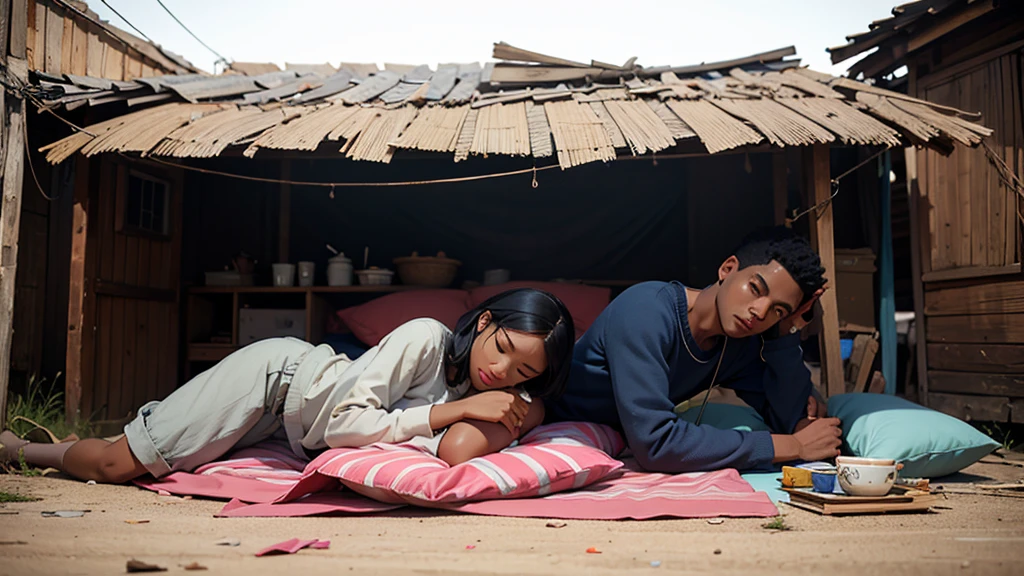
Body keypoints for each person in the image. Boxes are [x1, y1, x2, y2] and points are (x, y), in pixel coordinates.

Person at [1, 288, 575, 482]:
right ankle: (19, 448)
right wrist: (451, 413)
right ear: (483, 323)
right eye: (501, 350)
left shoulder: (493, 393)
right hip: (278, 381)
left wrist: (528, 408)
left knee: (144, 462)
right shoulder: (425, 339)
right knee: (117, 467)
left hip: (295, 429)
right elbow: (348, 422)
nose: (500, 374)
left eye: (524, 373)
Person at [546, 227, 842, 473]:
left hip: (615, 437)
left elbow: (787, 417)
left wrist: (786, 333)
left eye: (778, 309)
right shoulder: (645, 311)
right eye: (756, 289)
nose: (760, 311)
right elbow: (656, 445)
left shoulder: (737, 344)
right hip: (547, 420)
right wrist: (793, 446)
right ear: (728, 269)